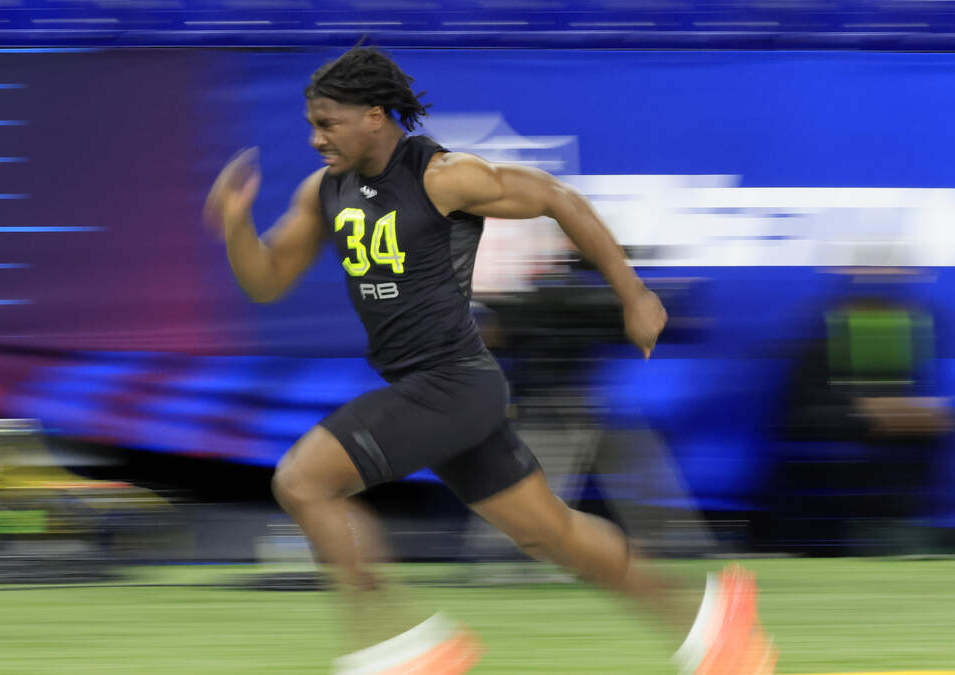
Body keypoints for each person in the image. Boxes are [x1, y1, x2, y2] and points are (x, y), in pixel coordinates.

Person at [204, 45, 776, 675]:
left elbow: (557, 197)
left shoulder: (442, 176)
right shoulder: (323, 191)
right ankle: (711, 623)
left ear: (374, 115)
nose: (315, 138)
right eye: (311, 124)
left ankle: (402, 648)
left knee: (302, 481)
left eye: (327, 123)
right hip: (434, 390)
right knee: (551, 534)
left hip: (450, 385)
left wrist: (634, 293)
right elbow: (267, 281)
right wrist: (236, 225)